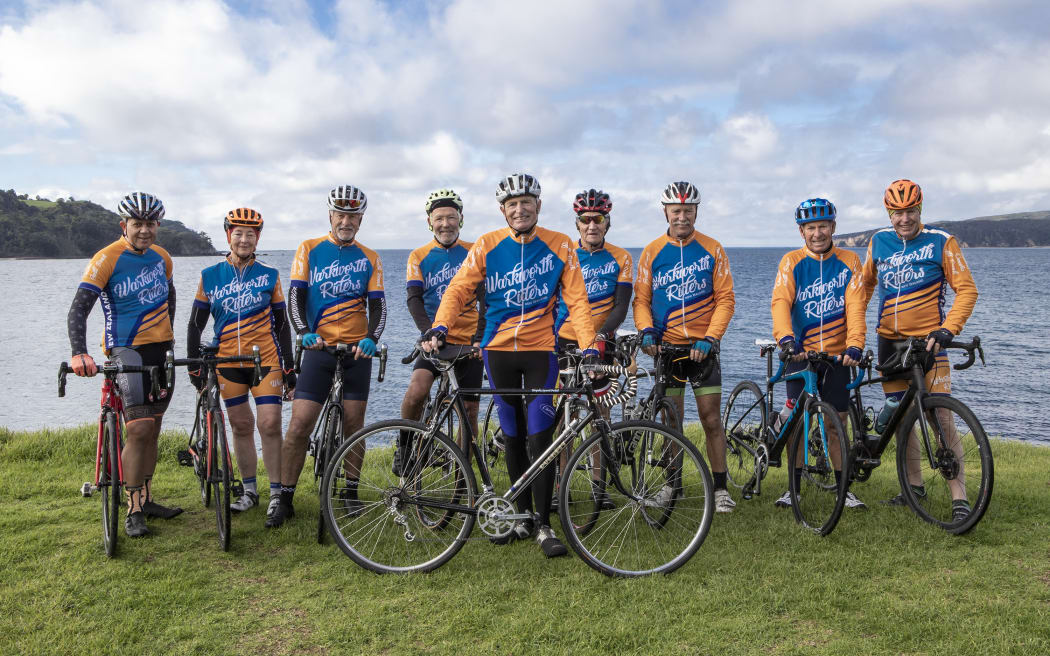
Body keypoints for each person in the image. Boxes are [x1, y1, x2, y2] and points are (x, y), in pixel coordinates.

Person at [422, 173, 599, 558]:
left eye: (526, 203)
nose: (519, 210)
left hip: (541, 353)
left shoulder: (561, 244)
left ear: (538, 205)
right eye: (511, 205)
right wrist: (441, 325)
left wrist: (588, 346)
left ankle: (544, 525)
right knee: (513, 433)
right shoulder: (487, 244)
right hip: (497, 352)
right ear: (502, 210)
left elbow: (578, 300)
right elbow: (458, 289)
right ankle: (520, 516)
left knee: (541, 435)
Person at [846, 179, 978, 518]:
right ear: (889, 214)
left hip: (929, 343)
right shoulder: (879, 242)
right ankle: (914, 489)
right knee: (903, 417)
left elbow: (967, 291)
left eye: (911, 211)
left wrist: (949, 329)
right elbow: (862, 289)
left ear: (920, 210)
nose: (904, 219)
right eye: (897, 213)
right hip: (889, 341)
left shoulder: (941, 242)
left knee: (941, 418)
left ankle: (959, 500)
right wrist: (854, 332)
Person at [267, 185, 386, 528]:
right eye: (341, 214)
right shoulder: (309, 249)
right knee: (300, 425)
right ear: (331, 216)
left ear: (361, 221)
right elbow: (295, 298)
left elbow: (378, 306)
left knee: (353, 425)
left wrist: (370, 339)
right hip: (318, 348)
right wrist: (304, 332)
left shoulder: (370, 257)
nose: (346, 221)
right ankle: (284, 497)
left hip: (355, 352)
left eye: (353, 216)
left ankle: (350, 492)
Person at [66, 192, 182, 537]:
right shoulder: (106, 258)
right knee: (139, 428)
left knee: (155, 427)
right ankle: (132, 508)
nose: (144, 230)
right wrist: (79, 352)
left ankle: (146, 496)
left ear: (157, 225)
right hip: (125, 350)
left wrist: (171, 337)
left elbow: (170, 296)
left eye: (150, 224)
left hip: (160, 350)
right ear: (124, 225)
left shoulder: (163, 257)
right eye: (137, 224)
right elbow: (79, 308)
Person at [633, 181, 737, 512]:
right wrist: (646, 329)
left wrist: (711, 337)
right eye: (676, 211)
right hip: (669, 352)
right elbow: (641, 300)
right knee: (671, 423)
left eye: (688, 211)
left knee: (710, 419)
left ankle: (720, 489)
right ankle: (672, 487)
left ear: (696, 212)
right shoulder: (651, 251)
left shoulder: (713, 249)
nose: (682, 216)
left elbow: (725, 299)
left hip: (703, 350)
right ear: (665, 212)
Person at [186, 208, 295, 521]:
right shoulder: (210, 276)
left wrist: (289, 367)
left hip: (265, 361)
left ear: (257, 238)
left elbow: (283, 324)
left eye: (250, 234)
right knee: (241, 425)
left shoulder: (270, 276)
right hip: (227, 361)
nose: (244, 239)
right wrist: (194, 362)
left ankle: (277, 494)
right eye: (238, 233)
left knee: (270, 424)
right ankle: (249, 491)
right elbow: (195, 324)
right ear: (228, 236)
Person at [770, 198, 867, 510]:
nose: (817, 232)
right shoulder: (791, 262)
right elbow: (781, 303)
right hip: (800, 356)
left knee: (837, 424)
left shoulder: (850, 260)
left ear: (833, 227)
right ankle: (793, 489)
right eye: (810, 227)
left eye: (823, 226)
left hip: (837, 358)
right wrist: (786, 340)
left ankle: (843, 490)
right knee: (797, 426)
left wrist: (856, 344)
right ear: (802, 231)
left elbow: (856, 305)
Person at [553, 188, 633, 508]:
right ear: (577, 223)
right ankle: (562, 485)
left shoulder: (621, 257)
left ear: (607, 222)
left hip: (602, 343)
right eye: (585, 220)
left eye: (597, 219)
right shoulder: (564, 255)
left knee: (601, 414)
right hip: (564, 341)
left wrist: (600, 336)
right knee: (563, 416)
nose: (591, 225)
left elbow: (621, 306)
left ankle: (599, 487)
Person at [399, 189, 484, 464]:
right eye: (439, 218)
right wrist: (427, 333)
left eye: (451, 217)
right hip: (434, 340)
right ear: (429, 221)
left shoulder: (474, 252)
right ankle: (405, 446)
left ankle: (464, 475)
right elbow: (414, 299)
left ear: (461, 219)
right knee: (417, 391)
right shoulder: (418, 255)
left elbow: (487, 300)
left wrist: (480, 339)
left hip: (468, 342)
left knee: (469, 413)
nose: (445, 223)